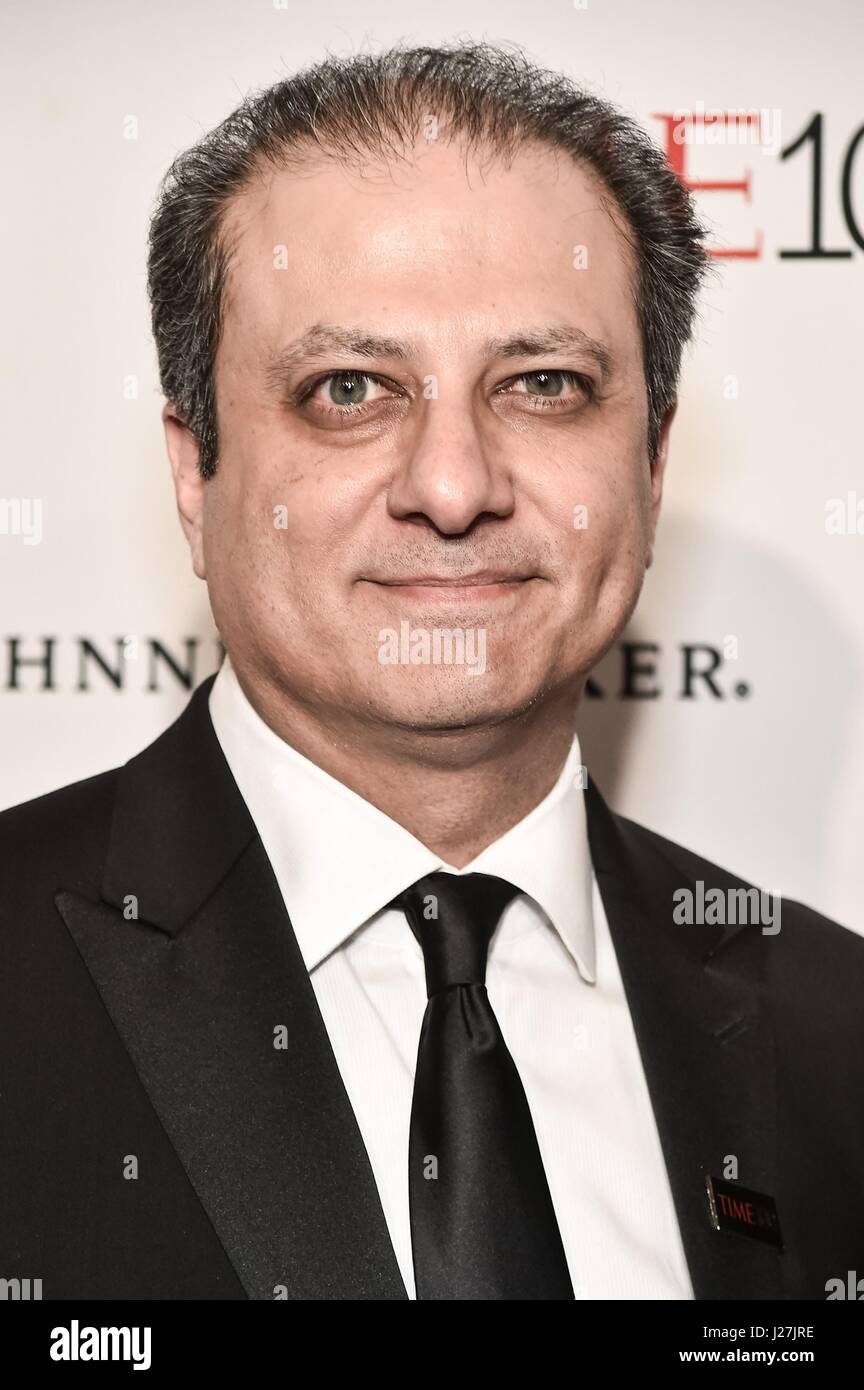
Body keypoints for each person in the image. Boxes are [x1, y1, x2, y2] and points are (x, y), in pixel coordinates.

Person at [1, 41, 862, 1302]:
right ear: (196, 477)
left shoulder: (838, 1031)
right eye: (349, 389)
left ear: (653, 464)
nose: (454, 485)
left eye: (545, 385)